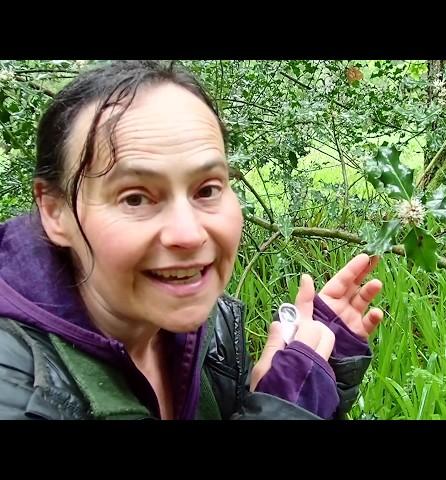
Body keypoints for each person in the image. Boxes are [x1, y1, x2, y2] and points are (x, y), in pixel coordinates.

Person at [0, 60, 384, 419]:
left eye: (207, 189)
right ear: (54, 212)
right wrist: (283, 408)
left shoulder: (208, 327)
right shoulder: (15, 386)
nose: (188, 234)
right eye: (135, 197)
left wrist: (314, 373)